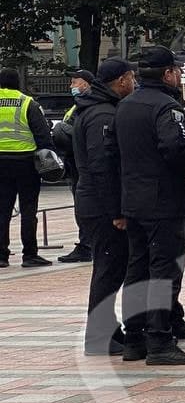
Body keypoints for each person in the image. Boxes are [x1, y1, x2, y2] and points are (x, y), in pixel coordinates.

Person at [114, 47, 185, 365]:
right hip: (164, 201)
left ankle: (134, 340)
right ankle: (159, 342)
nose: (179, 75)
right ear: (167, 74)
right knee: (164, 271)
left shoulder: (124, 106)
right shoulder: (168, 107)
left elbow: (114, 155)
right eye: (176, 71)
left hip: (134, 200)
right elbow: (176, 145)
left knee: (137, 269)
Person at [74, 58, 137, 355]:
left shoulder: (98, 108)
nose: (134, 83)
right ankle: (98, 335)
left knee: (111, 266)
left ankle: (107, 329)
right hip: (100, 205)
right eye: (132, 78)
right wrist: (116, 212)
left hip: (94, 200)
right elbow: (103, 167)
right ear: (122, 80)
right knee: (108, 267)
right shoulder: (102, 114)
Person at [0, 69, 55, 269]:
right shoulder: (27, 103)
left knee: (2, 211)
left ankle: (1, 255)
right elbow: (43, 135)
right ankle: (29, 255)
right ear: (18, 82)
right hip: (25, 162)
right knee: (28, 210)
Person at [54, 70, 95, 263]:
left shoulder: (89, 106)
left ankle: (87, 245)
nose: (72, 86)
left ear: (86, 84)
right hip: (75, 163)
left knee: (85, 208)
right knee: (82, 208)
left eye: (74, 82)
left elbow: (80, 133)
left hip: (83, 166)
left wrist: (63, 132)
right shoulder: (76, 106)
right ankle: (87, 243)